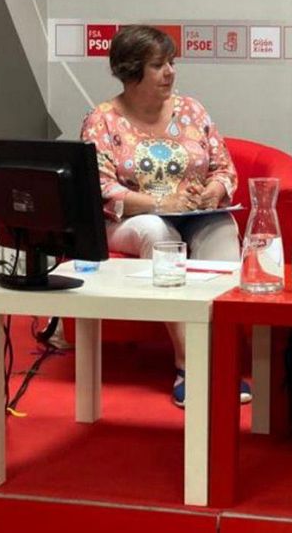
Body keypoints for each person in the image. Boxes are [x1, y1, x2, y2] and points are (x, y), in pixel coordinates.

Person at [80, 24, 250, 407]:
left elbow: (225, 170)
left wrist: (213, 191)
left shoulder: (192, 110)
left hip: (197, 213)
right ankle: (189, 364)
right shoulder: (102, 120)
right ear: (130, 71)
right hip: (128, 221)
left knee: (222, 228)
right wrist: (160, 204)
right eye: (158, 65)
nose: (170, 72)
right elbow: (102, 189)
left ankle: (224, 360)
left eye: (172, 62)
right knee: (158, 232)